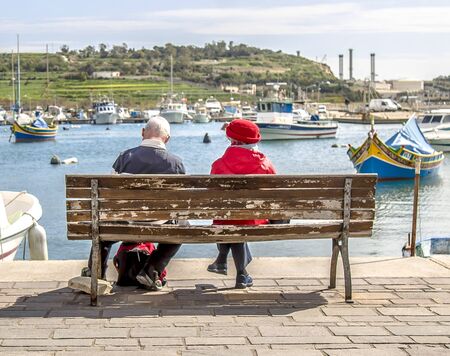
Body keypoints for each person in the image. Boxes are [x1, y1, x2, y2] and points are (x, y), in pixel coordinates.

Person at [82, 115, 185, 291]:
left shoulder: (124, 157)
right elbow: (180, 202)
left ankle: (96, 274)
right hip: (160, 223)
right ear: (167, 138)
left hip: (125, 221)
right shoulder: (175, 163)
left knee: (103, 235)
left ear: (143, 132)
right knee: (183, 228)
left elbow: (109, 197)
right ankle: (151, 269)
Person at [207, 119, 276, 288]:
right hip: (255, 220)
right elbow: (275, 194)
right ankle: (240, 273)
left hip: (226, 220)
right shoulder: (265, 164)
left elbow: (212, 198)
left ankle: (224, 261)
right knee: (239, 218)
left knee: (230, 218)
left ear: (232, 140)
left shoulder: (218, 165)